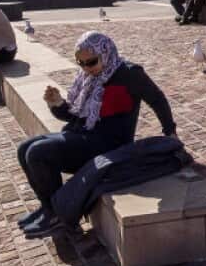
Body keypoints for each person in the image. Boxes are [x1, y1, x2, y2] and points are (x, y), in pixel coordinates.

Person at [16, 31, 176, 238]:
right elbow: (74, 117)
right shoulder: (88, 77)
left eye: (91, 62)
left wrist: (170, 131)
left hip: (108, 144)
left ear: (106, 52)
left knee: (38, 153)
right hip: (84, 136)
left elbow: (157, 100)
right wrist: (57, 104)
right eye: (80, 63)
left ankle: (59, 215)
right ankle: (49, 207)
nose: (85, 68)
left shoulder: (129, 74)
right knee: (24, 149)